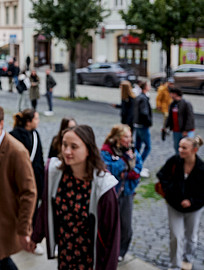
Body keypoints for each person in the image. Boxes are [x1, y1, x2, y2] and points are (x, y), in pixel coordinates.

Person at [31, 125, 120, 269]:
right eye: (64, 145)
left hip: (90, 261)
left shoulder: (103, 187)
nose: (67, 151)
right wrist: (36, 236)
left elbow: (112, 236)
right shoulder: (56, 174)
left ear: (88, 150)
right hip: (65, 255)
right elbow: (46, 206)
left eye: (74, 147)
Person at [0, 103, 37, 269]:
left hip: (4, 221)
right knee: (3, 260)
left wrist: (23, 229)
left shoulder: (16, 151)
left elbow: (29, 192)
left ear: (0, 124)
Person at [156, 136, 204, 270]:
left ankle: (187, 259)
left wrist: (191, 201)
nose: (180, 150)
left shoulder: (201, 168)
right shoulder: (174, 161)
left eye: (184, 148)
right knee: (176, 237)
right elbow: (162, 176)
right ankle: (175, 265)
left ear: (194, 150)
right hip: (174, 205)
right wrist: (172, 194)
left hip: (194, 209)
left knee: (191, 236)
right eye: (179, 147)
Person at [101, 124, 142, 261]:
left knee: (126, 225)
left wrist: (126, 173)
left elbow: (137, 169)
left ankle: (120, 252)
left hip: (127, 192)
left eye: (130, 136)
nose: (129, 139)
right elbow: (108, 168)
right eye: (126, 136)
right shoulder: (107, 151)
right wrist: (124, 162)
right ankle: (107, 249)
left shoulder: (132, 150)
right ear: (118, 138)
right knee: (109, 224)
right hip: (111, 193)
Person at [9, 108, 45, 255]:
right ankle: (20, 235)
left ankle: (30, 238)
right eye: (36, 119)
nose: (38, 121)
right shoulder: (14, 136)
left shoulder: (36, 134)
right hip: (20, 180)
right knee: (21, 208)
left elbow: (39, 158)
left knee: (33, 208)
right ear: (29, 122)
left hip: (35, 179)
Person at [164, 87, 195, 154]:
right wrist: (166, 126)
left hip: (186, 131)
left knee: (187, 148)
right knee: (177, 148)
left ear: (175, 94)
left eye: (171, 93)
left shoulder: (186, 103)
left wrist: (186, 130)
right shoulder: (172, 104)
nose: (170, 95)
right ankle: (179, 162)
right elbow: (170, 117)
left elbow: (190, 118)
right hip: (176, 130)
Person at [133, 80, 152, 176]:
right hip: (143, 125)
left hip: (137, 124)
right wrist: (149, 122)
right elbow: (144, 112)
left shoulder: (139, 97)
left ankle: (135, 163)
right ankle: (138, 164)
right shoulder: (143, 98)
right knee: (148, 147)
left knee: (138, 145)